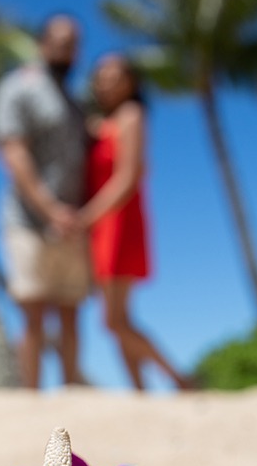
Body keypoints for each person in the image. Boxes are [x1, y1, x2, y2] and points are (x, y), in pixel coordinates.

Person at [77, 53, 191, 391]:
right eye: (102, 75)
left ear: (132, 83)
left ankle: (180, 380)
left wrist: (87, 217)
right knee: (116, 320)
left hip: (119, 220)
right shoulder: (97, 122)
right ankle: (139, 390)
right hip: (101, 223)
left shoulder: (131, 115)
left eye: (116, 76)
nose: (108, 82)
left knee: (114, 319)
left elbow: (129, 176)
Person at [0, 15, 89, 388]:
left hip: (73, 222)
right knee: (33, 314)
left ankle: (71, 397)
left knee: (70, 313)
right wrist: (50, 209)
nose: (68, 49)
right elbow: (14, 155)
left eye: (74, 42)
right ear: (42, 43)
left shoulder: (75, 100)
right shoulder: (17, 88)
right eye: (61, 41)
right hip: (27, 220)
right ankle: (30, 402)